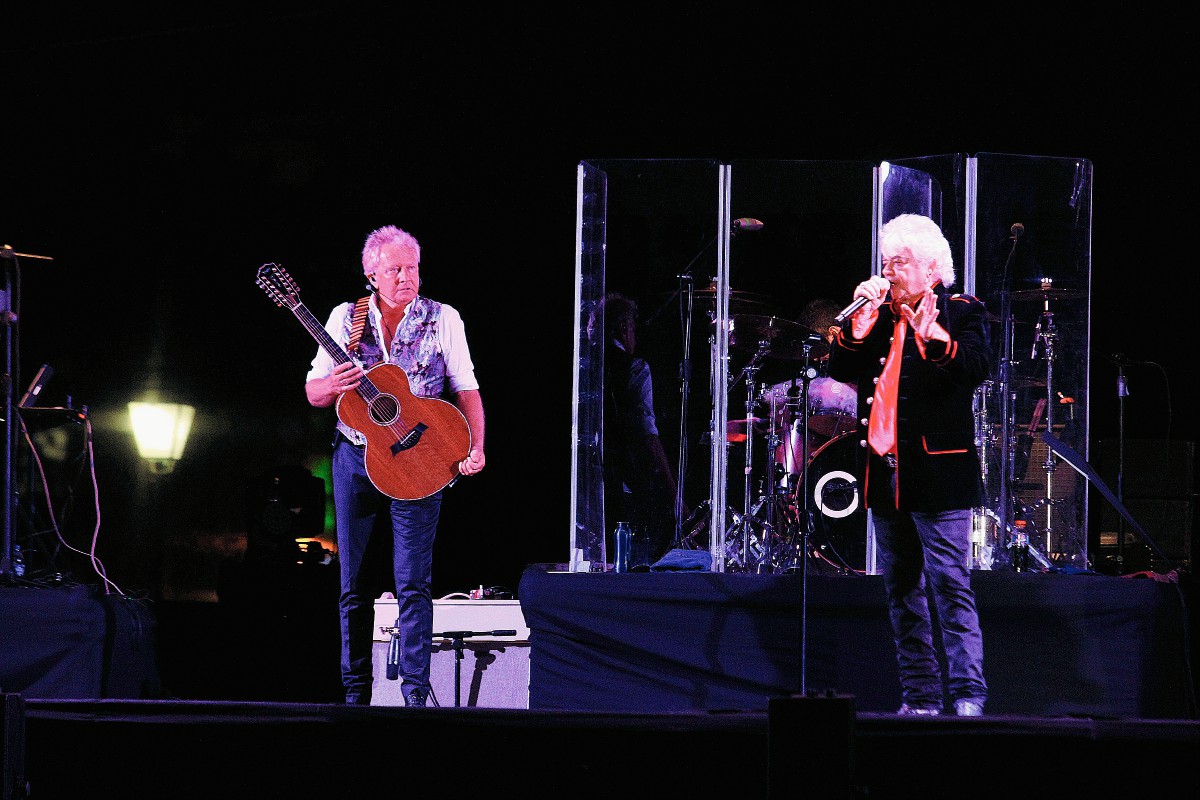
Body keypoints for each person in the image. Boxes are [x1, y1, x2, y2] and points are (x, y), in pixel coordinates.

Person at [305, 224, 486, 707]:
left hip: (420, 458)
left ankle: (413, 699)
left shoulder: (442, 317)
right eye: (396, 269)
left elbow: (466, 386)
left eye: (413, 268)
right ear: (371, 274)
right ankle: (355, 697)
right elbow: (314, 391)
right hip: (356, 458)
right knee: (353, 585)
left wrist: (477, 447)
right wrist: (336, 384)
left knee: (413, 584)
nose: (407, 277)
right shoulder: (345, 318)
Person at [825, 213, 990, 716]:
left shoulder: (962, 311)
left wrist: (934, 335)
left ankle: (967, 696)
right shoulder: (881, 316)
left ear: (931, 268)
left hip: (939, 474)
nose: (889, 271)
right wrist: (858, 323)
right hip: (885, 473)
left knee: (949, 588)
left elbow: (973, 369)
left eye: (899, 262)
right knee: (902, 593)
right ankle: (920, 698)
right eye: (885, 262)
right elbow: (840, 367)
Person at [596, 292, 682, 567]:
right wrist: (673, 490)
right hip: (627, 477)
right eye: (632, 328)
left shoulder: (590, 366)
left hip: (594, 479)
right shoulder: (635, 369)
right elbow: (647, 431)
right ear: (624, 328)